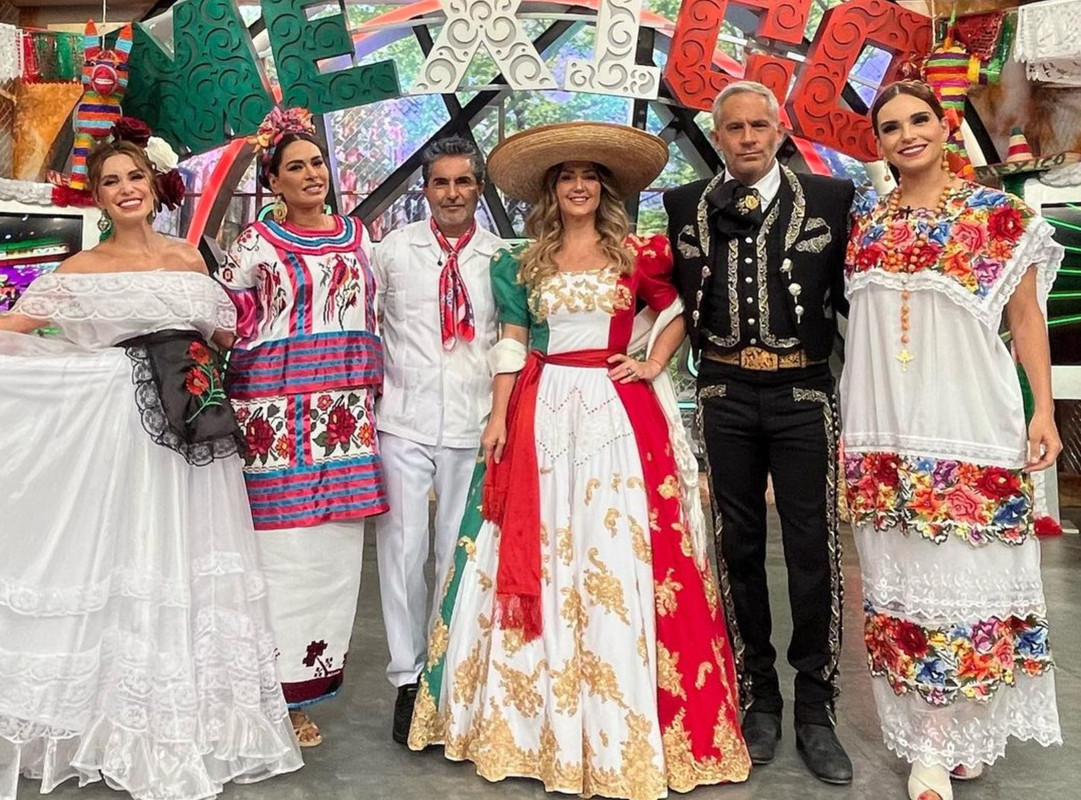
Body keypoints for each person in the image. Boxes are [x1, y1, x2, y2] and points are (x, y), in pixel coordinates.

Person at [408, 121, 750, 799]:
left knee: (615, 548)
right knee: (533, 546)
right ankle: (526, 725)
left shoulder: (638, 254)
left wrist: (651, 360)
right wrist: (499, 418)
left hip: (616, 416)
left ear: (605, 188)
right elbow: (511, 343)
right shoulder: (520, 262)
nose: (578, 187)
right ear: (549, 190)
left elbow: (678, 307)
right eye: (566, 178)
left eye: (589, 177)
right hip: (541, 412)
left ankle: (622, 721)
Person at [0, 136, 302, 800]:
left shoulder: (188, 257)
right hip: (121, 441)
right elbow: (12, 334)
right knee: (125, 559)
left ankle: (194, 721)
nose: (125, 188)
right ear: (99, 196)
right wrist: (102, 371)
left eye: (134, 175)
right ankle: (116, 722)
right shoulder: (78, 271)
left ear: (153, 182)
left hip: (195, 438)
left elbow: (229, 338)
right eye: (110, 181)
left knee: (190, 560)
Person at [842, 80, 1063, 800]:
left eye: (917, 120)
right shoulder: (864, 226)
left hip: (970, 426)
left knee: (971, 593)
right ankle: (929, 741)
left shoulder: (996, 218)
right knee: (902, 594)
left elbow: (1026, 321)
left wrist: (1043, 412)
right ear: (877, 143)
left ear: (943, 127)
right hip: (885, 438)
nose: (905, 134)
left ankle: (951, 736)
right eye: (889, 127)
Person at [664, 80, 855, 784]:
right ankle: (760, 697)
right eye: (732, 128)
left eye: (757, 126)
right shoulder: (683, 205)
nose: (745, 138)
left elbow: (852, 300)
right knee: (736, 544)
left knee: (812, 547)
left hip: (804, 388)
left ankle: (816, 706)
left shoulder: (832, 201)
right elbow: (668, 298)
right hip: (723, 391)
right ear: (716, 135)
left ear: (778, 130)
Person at [216, 107, 387, 748]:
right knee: (278, 563)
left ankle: (301, 695)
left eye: (317, 163)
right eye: (296, 167)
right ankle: (261, 693)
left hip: (342, 427)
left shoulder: (361, 236)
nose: (312, 173)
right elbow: (222, 321)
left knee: (333, 564)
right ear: (275, 181)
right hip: (272, 425)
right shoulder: (256, 244)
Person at [372, 135, 506, 744]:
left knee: (458, 555)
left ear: (480, 188)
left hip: (474, 426)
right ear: (424, 189)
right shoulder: (392, 253)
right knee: (402, 551)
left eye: (464, 182)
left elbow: (510, 340)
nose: (452, 193)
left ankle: (446, 671)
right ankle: (406, 679)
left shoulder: (501, 258)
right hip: (402, 417)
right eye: (440, 182)